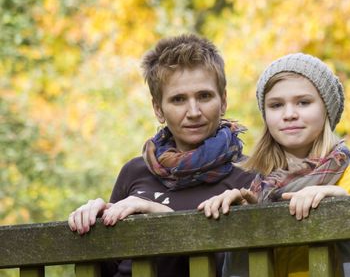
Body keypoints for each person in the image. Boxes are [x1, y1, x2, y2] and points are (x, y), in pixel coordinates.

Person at [68, 34, 255, 276]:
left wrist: (163, 217)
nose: (194, 111)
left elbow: (238, 268)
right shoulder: (134, 171)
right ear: (158, 109)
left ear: (223, 101)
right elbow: (106, 267)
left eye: (204, 96)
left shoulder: (246, 177)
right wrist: (92, 222)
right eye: (178, 100)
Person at [198, 53, 350, 277]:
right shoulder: (257, 186)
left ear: (326, 109)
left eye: (303, 102)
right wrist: (240, 221)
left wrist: (343, 211)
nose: (289, 114)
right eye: (276, 105)